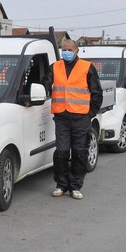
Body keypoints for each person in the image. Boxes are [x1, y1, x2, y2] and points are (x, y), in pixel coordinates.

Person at [43, 39, 102, 200]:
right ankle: (61, 185)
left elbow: (97, 93)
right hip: (61, 117)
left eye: (69, 49)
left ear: (77, 51)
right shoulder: (55, 67)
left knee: (79, 152)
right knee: (61, 151)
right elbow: (46, 84)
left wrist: (90, 113)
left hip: (81, 117)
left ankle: (75, 186)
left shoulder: (87, 67)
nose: (66, 52)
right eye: (64, 49)